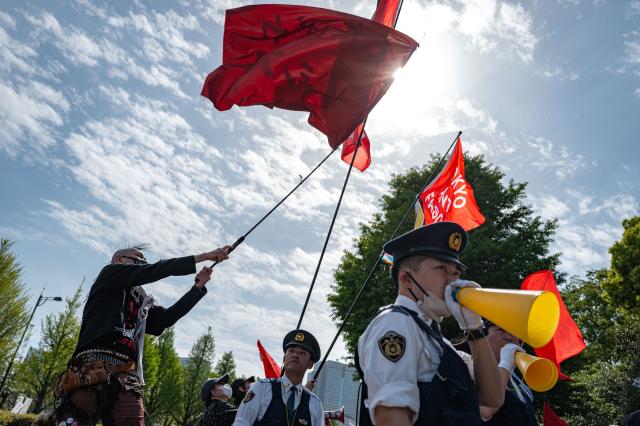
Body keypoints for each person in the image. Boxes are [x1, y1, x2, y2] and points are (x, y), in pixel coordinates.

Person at [48, 244, 231, 426]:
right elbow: (157, 269)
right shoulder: (109, 274)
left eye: (145, 262)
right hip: (90, 367)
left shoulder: (141, 300)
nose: (143, 264)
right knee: (73, 420)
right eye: (137, 260)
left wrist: (197, 288)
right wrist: (205, 255)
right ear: (119, 259)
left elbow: (164, 320)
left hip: (126, 374)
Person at [356, 222, 503, 426]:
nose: (453, 281)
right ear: (406, 279)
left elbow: (492, 398)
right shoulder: (396, 323)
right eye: (441, 268)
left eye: (456, 273)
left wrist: (474, 329)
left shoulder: (438, 341)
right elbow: (391, 416)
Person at [233, 329, 324, 426]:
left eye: (302, 353)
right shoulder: (261, 388)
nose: (295, 355)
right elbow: (242, 422)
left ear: (310, 364)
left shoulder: (315, 404)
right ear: (284, 359)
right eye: (291, 350)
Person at [481, 320, 537, 425]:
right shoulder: (472, 370)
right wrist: (505, 363)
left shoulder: (517, 380)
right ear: (483, 335)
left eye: (514, 331)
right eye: (501, 329)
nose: (509, 337)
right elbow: (485, 412)